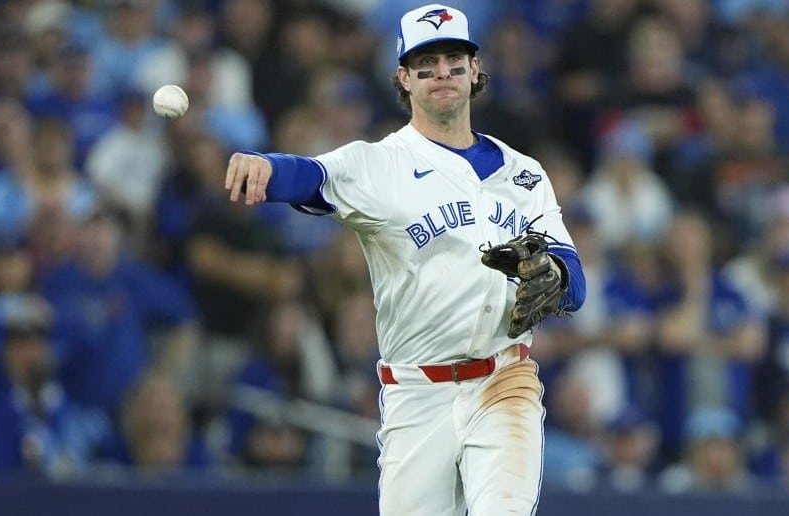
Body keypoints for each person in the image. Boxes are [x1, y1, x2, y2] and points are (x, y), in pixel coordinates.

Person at [222, 4, 586, 513]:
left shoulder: (523, 173)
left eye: (454, 61)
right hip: (416, 393)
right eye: (426, 64)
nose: (442, 74)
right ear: (403, 78)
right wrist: (263, 164)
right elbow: (311, 176)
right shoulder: (379, 164)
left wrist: (554, 273)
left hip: (505, 379)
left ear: (475, 71)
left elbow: (576, 285)